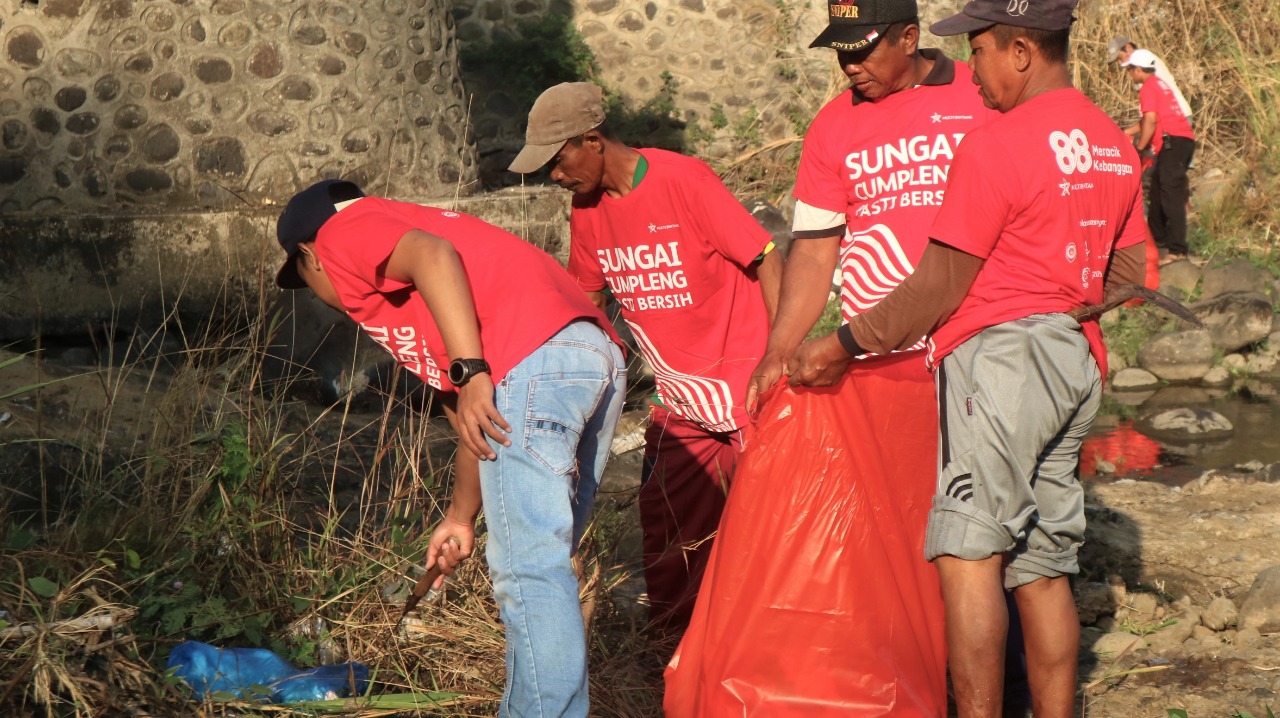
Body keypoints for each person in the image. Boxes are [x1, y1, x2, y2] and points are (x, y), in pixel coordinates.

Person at [788, 0, 1150, 714]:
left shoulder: (997, 143)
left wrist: (840, 344)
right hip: (1075, 362)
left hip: (1001, 365)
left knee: (968, 555)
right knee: (1043, 567)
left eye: (980, 51)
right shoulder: (1109, 139)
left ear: (1021, 50)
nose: (974, 71)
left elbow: (937, 286)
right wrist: (1061, 306)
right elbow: (1133, 274)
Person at [665, 0, 992, 713]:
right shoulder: (835, 125)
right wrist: (779, 349)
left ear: (911, 37)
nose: (849, 66)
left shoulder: (977, 96)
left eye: (864, 50)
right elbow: (814, 248)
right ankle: (916, 668)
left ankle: (999, 687)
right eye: (839, 51)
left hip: (979, 348)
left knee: (987, 533)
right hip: (883, 360)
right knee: (910, 526)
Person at [274, 179, 627, 717]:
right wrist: (461, 518)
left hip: (533, 362)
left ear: (309, 256)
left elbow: (433, 257)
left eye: (301, 277)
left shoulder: (345, 231)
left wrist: (473, 369)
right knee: (545, 564)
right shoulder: (432, 293)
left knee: (529, 568)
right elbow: (475, 425)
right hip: (588, 359)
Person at [508, 82, 782, 634]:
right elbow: (586, 300)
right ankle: (674, 652)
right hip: (681, 398)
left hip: (747, 384)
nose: (556, 178)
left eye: (558, 163)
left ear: (593, 140)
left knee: (770, 529)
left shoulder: (683, 181)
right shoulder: (586, 210)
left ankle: (769, 648)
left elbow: (766, 258)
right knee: (668, 529)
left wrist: (781, 357)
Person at [1124, 48, 1197, 264]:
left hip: (1173, 143)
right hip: (1179, 142)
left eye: (1130, 70)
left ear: (1138, 69)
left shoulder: (1148, 87)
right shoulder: (1159, 85)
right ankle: (1158, 242)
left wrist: (1140, 149)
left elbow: (1151, 122)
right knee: (1156, 191)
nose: (1129, 74)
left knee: (1170, 195)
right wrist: (1125, 133)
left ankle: (1177, 251)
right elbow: (1148, 119)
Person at [1108, 37, 1192, 122]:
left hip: (1174, 118)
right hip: (1171, 117)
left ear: (1129, 48)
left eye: (1120, 57)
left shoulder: (1143, 60)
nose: (1119, 62)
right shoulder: (1139, 65)